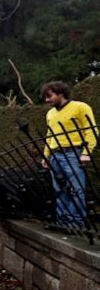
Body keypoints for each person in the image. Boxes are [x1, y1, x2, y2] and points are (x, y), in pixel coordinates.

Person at [40, 81, 96, 228]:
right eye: (45, 97)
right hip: (54, 155)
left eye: (49, 96)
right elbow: (50, 135)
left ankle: (76, 222)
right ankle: (63, 221)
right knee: (59, 190)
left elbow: (91, 130)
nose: (47, 100)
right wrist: (46, 155)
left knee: (76, 189)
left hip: (73, 153)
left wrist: (87, 152)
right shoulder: (50, 113)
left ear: (60, 93)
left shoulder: (80, 107)